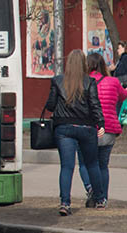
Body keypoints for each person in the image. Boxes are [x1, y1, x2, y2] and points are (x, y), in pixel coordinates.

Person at [46, 49, 106, 215]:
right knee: (92, 164)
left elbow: (50, 105)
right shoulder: (89, 81)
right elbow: (95, 105)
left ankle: (65, 203)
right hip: (86, 128)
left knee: (67, 167)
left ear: (68, 64)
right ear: (83, 64)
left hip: (64, 129)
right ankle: (100, 199)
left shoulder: (57, 81)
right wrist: (100, 124)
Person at [80, 52, 127, 208]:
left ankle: (92, 189)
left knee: (86, 164)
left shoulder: (83, 82)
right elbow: (123, 96)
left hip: (89, 128)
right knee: (102, 165)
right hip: (109, 128)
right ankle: (102, 198)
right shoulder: (113, 82)